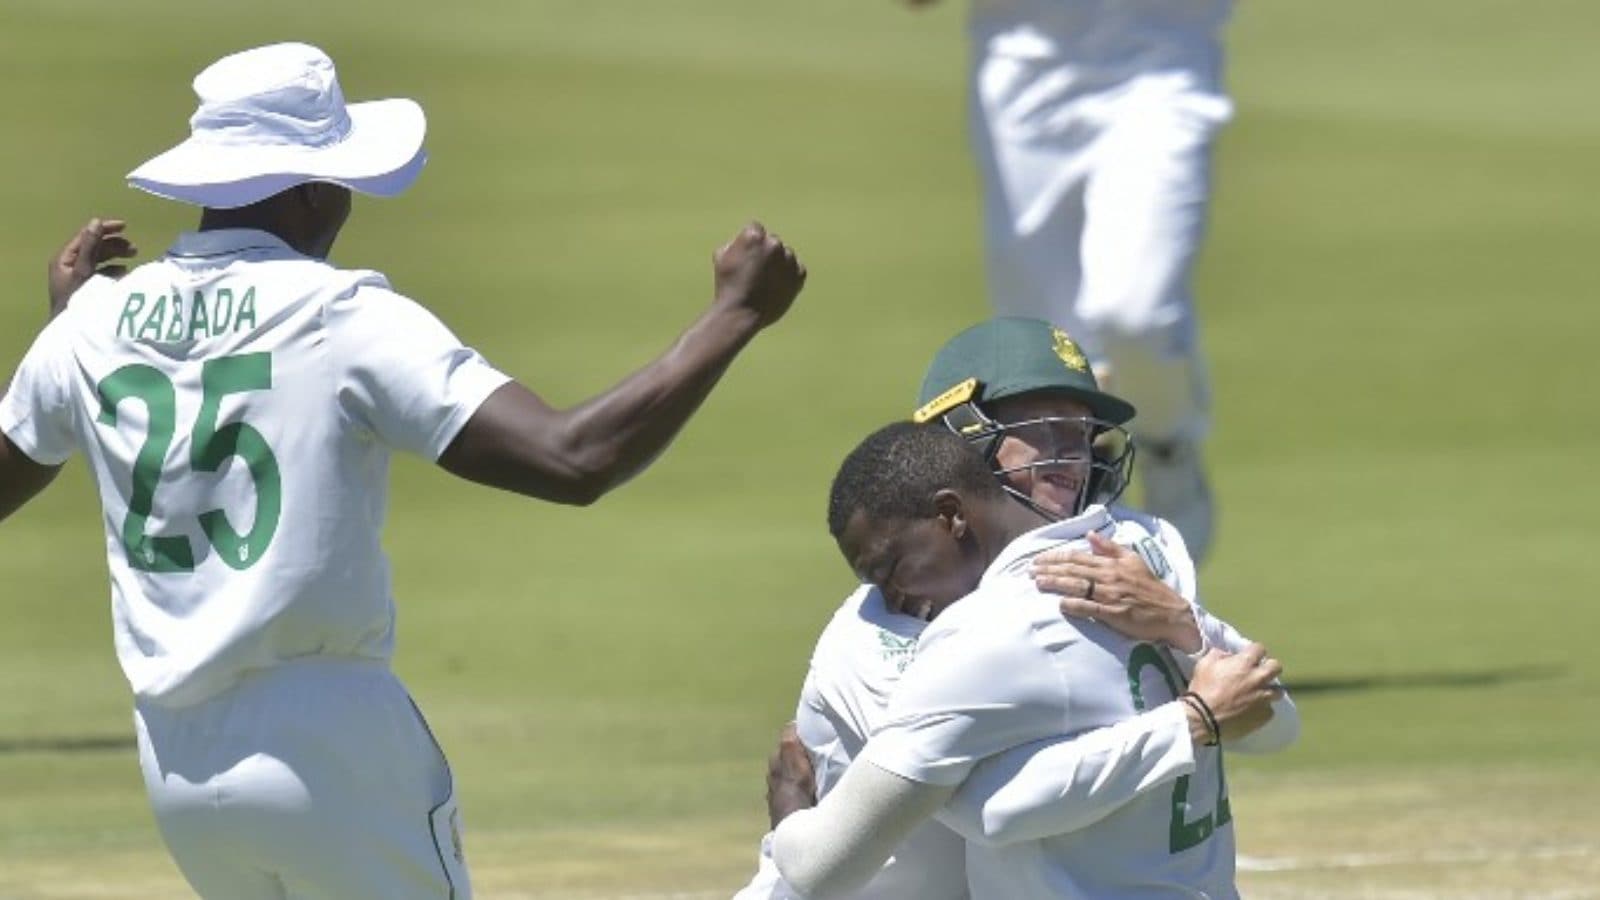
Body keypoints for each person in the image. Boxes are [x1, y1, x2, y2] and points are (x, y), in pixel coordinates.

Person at [0, 42, 806, 899]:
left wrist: (68, 329)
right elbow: (573, 458)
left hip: (176, 764)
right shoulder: (339, 315)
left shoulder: (95, 321)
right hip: (331, 750)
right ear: (315, 188)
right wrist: (734, 317)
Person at [735, 319, 1294, 898]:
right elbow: (983, 812)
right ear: (957, 444)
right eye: (1042, 430)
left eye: (1081, 431)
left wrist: (1185, 627)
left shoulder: (1128, 559)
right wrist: (1194, 718)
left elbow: (1272, 717)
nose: (1071, 455)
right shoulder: (883, 639)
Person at [902, 0, 1232, 561]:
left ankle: (1168, 445)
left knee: (1136, 311)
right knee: (1045, 356)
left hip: (1161, 62)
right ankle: (1079, 529)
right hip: (1022, 79)